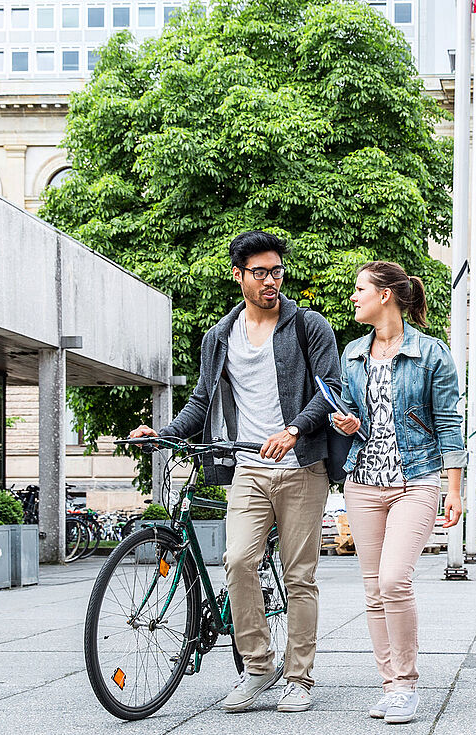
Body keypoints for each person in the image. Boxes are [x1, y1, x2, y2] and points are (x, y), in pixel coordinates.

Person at [127, 230, 341, 714]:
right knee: (239, 562)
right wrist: (165, 433)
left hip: (302, 467)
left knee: (298, 576)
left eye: (277, 271)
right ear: (238, 275)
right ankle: (259, 667)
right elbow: (202, 400)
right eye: (261, 272)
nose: (272, 280)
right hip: (247, 467)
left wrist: (293, 429)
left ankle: (299, 678)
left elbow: (330, 388)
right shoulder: (219, 336)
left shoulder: (309, 326)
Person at [330, 261, 464, 725]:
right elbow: (346, 410)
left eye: (359, 289)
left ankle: (406, 685)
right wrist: (345, 421)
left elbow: (449, 422)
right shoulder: (352, 354)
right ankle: (389, 686)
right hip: (363, 479)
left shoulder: (431, 354)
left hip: (417, 478)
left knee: (393, 581)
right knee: (372, 589)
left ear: (385, 295)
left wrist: (454, 489)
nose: (353, 296)